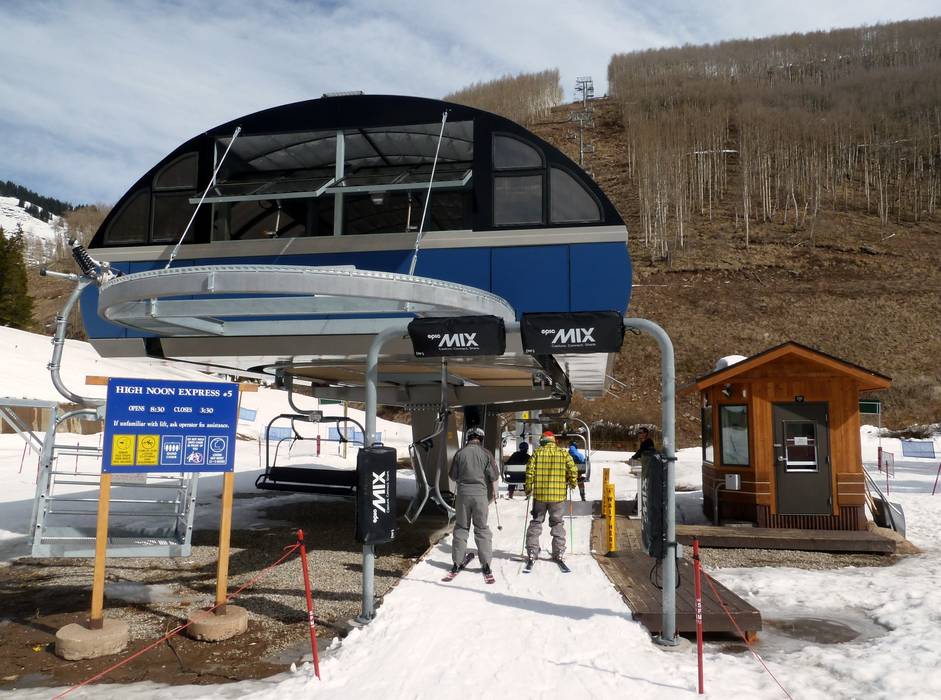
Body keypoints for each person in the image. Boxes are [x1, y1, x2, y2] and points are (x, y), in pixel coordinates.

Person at [448, 426, 499, 578]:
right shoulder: (486, 453)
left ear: (468, 438)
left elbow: (453, 476)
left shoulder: (460, 453)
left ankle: (457, 562)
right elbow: (494, 476)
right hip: (480, 496)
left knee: (461, 528)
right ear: (481, 439)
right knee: (481, 528)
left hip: (463, 495)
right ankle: (486, 564)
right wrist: (494, 492)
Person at [524, 431, 578, 566]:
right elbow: (573, 470)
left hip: (540, 496)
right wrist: (572, 483)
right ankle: (558, 551)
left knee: (536, 522)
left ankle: (532, 550)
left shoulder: (537, 453)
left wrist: (528, 488)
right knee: (557, 523)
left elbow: (529, 472)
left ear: (542, 441)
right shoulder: (563, 453)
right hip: (558, 496)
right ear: (554, 441)